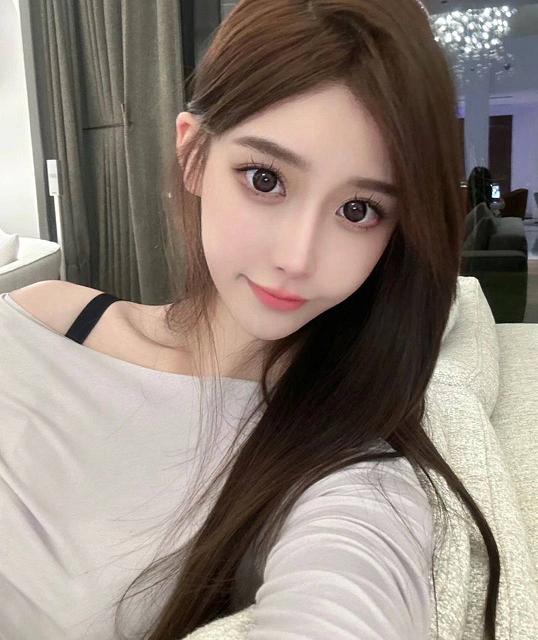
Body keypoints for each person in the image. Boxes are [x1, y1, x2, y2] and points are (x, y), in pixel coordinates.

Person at [0, 1, 500, 639]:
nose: (297, 258)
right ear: (193, 155)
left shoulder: (346, 462)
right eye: (265, 179)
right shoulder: (40, 317)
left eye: (358, 210)